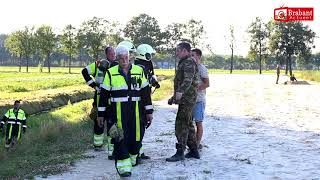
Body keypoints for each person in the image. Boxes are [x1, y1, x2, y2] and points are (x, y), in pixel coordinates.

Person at [97, 46, 153, 177]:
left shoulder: (139, 71)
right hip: (118, 113)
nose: (124, 60)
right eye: (121, 58)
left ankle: (133, 158)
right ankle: (124, 168)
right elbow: (104, 95)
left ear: (130, 57)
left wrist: (149, 111)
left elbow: (145, 93)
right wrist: (100, 114)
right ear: (117, 58)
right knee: (120, 138)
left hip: (137, 111)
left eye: (126, 58)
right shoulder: (110, 73)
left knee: (136, 138)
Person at [166, 42, 200, 162]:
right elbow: (181, 82)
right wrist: (174, 97)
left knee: (181, 124)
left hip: (188, 99)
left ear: (185, 51)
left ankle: (180, 152)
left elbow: (187, 80)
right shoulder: (184, 62)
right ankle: (194, 151)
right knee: (189, 124)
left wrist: (179, 92)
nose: (176, 53)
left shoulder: (189, 62)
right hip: (185, 98)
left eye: (178, 51)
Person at [81, 46, 116, 151]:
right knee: (98, 121)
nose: (113, 56)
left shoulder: (117, 65)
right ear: (106, 54)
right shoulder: (98, 64)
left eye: (114, 53)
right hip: (99, 98)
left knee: (112, 123)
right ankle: (97, 145)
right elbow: (84, 71)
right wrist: (93, 85)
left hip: (112, 99)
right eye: (111, 54)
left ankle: (112, 147)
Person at [134, 44, 160, 160]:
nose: (152, 57)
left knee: (140, 127)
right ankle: (136, 152)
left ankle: (139, 151)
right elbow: (144, 87)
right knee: (140, 127)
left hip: (138, 101)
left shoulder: (139, 65)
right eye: (151, 54)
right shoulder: (141, 68)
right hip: (141, 102)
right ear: (146, 54)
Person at [191, 48, 209, 149]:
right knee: (191, 123)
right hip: (191, 101)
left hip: (199, 100)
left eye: (193, 55)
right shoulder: (191, 67)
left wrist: (196, 90)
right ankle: (192, 142)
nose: (191, 57)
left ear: (198, 56)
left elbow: (207, 83)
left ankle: (197, 144)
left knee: (198, 122)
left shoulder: (202, 68)